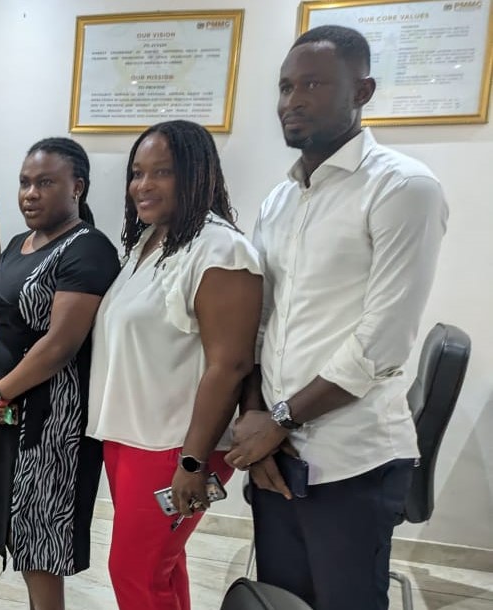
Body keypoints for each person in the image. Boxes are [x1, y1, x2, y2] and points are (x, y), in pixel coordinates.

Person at [224, 26, 448, 610]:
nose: (292, 101)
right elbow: (259, 324)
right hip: (278, 458)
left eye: (314, 85)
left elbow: (382, 341)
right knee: (280, 600)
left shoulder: (402, 187)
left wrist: (278, 420)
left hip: (352, 460)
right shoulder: (280, 199)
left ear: (362, 91)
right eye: (285, 87)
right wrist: (255, 420)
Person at [86, 120, 263, 610]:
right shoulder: (151, 240)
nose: (143, 185)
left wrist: (192, 462)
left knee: (134, 573)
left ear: (196, 174)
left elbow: (231, 365)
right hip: (131, 438)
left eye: (161, 172)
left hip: (176, 448)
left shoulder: (221, 249)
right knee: (160, 568)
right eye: (137, 173)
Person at [0, 137, 119, 610]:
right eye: (25, 183)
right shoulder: (19, 244)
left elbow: (59, 344)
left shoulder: (88, 248)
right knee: (21, 529)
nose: (30, 194)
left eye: (45, 183)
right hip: (11, 411)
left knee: (43, 540)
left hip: (55, 421)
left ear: (78, 187)